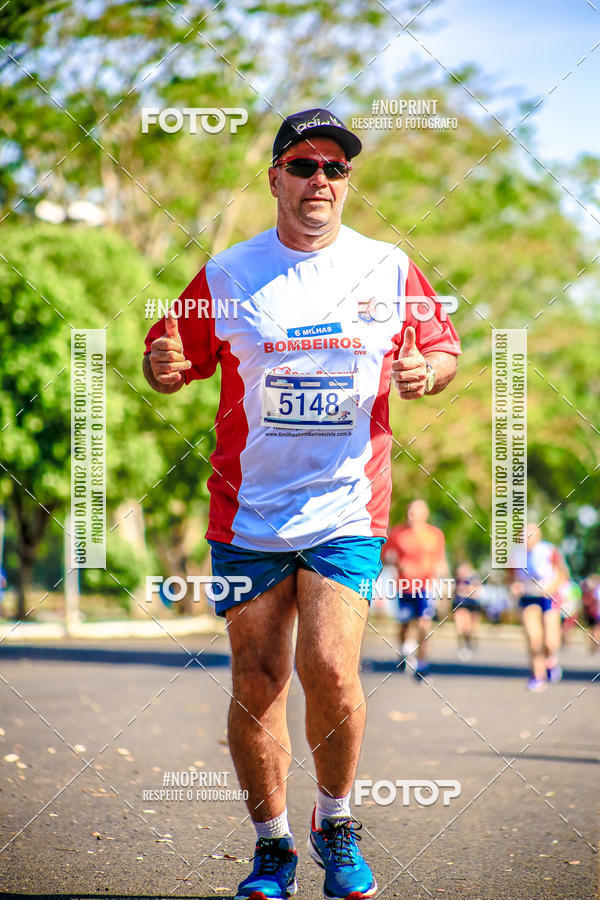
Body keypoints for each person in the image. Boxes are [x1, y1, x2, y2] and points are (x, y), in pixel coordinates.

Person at [143, 107, 461, 900]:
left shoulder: (388, 267)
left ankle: (338, 822)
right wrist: (161, 366)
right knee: (258, 680)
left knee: (331, 669)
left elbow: (441, 349)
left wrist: (429, 372)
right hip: (247, 510)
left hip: (347, 508)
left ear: (347, 182)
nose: (321, 179)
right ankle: (272, 848)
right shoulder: (227, 274)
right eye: (304, 165)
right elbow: (172, 357)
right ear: (275, 178)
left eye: (336, 168)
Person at [383, 499, 448, 681]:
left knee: (424, 624)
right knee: (405, 623)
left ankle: (422, 663)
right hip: (403, 586)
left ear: (425, 515)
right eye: (410, 512)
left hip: (425, 586)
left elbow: (440, 561)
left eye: (416, 512)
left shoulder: (435, 534)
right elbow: (385, 557)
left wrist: (444, 586)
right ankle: (404, 652)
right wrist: (397, 562)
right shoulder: (397, 533)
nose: (412, 516)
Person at [509, 523, 569, 692]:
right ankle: (538, 676)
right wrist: (514, 587)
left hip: (549, 598)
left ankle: (550, 661)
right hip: (529, 598)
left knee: (550, 641)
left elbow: (562, 574)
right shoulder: (516, 555)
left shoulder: (549, 551)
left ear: (538, 537)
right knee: (534, 638)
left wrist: (550, 588)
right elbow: (511, 578)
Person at [452, 561, 482, 660]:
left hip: (471, 605)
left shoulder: (473, 579)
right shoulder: (456, 581)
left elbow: (477, 593)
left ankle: (469, 645)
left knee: (469, 629)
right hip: (460, 605)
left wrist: (468, 590)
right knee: (460, 626)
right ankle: (462, 647)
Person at [581, 574, 600, 653]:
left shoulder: (590, 590)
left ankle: (592, 643)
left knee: (592, 628)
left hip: (592, 612)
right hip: (595, 613)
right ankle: (594, 643)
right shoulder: (595, 590)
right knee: (596, 628)